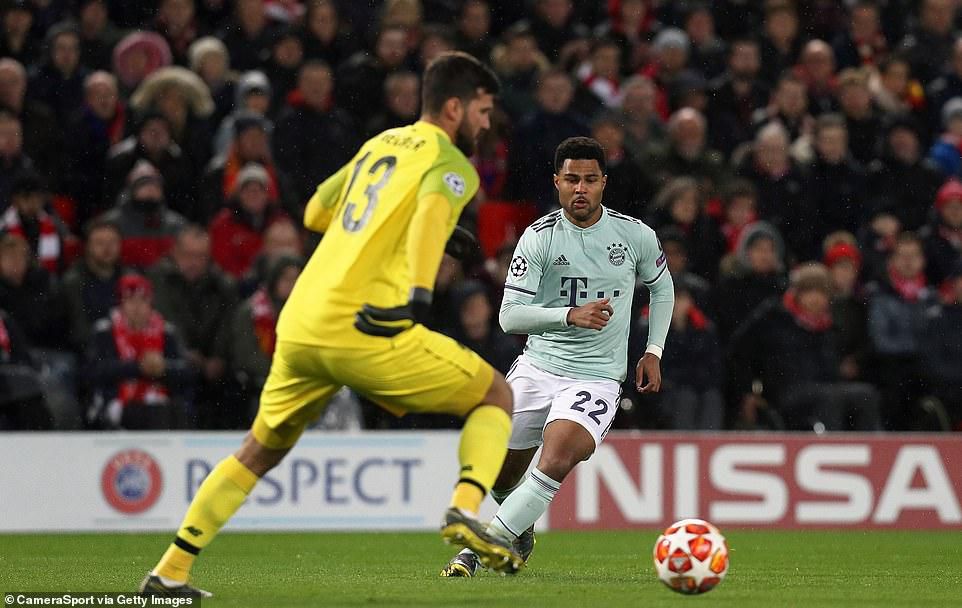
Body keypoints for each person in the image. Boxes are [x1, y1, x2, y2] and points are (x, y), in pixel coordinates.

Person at [141, 52, 521, 597]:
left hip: (301, 322)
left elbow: (317, 214)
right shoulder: (451, 162)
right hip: (367, 324)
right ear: (456, 108)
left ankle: (170, 571)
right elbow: (432, 220)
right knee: (495, 395)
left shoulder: (380, 144)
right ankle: (465, 510)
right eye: (483, 112)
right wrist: (414, 296)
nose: (487, 125)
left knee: (259, 448)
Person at [440, 136, 673, 577]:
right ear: (556, 183)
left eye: (589, 180)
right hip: (538, 368)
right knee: (500, 473)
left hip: (598, 377)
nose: (580, 189)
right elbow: (509, 317)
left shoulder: (634, 235)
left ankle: (477, 550)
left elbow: (662, 287)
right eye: (571, 180)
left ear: (604, 182)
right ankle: (518, 528)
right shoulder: (539, 238)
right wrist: (570, 315)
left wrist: (653, 349)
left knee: (556, 459)